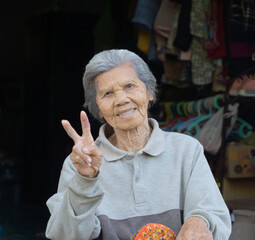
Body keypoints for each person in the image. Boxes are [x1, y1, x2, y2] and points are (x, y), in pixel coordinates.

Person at [45, 49, 231, 240]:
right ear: (98, 109)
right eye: (108, 93)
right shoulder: (81, 165)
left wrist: (200, 220)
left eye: (129, 86)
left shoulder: (186, 150)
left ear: (149, 91)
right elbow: (64, 235)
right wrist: (85, 181)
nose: (121, 100)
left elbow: (214, 214)